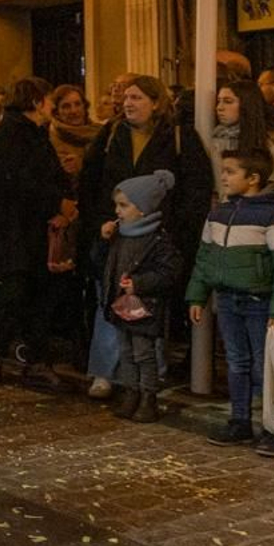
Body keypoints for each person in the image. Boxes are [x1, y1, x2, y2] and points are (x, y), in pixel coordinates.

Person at [78, 75, 213, 397]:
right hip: (116, 232)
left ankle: (144, 376)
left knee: (146, 305)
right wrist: (98, 222)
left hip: (157, 236)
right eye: (126, 97)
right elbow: (90, 181)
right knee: (109, 299)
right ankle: (105, 371)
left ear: (156, 102)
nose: (128, 103)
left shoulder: (179, 137)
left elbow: (195, 188)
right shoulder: (111, 135)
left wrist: (175, 231)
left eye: (137, 97)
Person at [186, 148, 274, 457]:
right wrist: (197, 294)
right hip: (228, 300)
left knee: (266, 368)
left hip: (258, 303)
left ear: (253, 179)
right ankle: (240, 420)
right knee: (237, 363)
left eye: (231, 172)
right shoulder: (219, 214)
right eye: (223, 171)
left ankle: (273, 428)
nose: (223, 176)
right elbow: (205, 257)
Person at [0, 77, 71, 391]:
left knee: (38, 297)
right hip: (18, 232)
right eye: (48, 100)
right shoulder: (13, 134)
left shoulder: (32, 133)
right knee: (15, 295)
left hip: (31, 231)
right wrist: (55, 203)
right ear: (35, 101)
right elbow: (20, 183)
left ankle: (33, 361)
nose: (52, 107)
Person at [102, 171, 184, 423]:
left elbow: (170, 272)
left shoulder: (158, 239)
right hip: (121, 304)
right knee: (125, 350)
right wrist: (103, 241)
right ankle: (131, 392)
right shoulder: (120, 235)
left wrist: (139, 283)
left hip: (145, 306)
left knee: (143, 352)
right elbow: (104, 264)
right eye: (117, 204)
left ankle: (148, 396)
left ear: (143, 208)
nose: (118, 211)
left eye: (124, 205)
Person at [48, 84, 100, 370]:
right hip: (64, 220)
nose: (73, 111)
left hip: (89, 216)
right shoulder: (51, 136)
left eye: (77, 104)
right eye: (66, 106)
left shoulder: (99, 134)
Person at [208, 79, 274, 187]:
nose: (219, 108)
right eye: (219, 101)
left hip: (265, 201)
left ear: (247, 104)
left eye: (228, 101)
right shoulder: (216, 137)